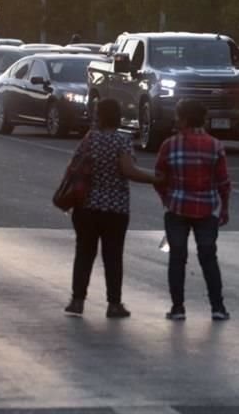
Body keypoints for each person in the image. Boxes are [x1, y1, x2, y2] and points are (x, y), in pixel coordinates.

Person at [65, 99, 157, 318]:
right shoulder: (121, 141)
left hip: (86, 206)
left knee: (84, 253)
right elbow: (128, 170)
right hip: (115, 208)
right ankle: (114, 303)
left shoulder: (89, 139)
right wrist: (154, 178)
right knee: (113, 256)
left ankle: (77, 300)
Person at [154, 99, 232, 322]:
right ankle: (218, 307)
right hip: (207, 210)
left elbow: (159, 177)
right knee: (208, 257)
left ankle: (178, 308)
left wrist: (167, 199)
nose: (176, 120)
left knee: (177, 258)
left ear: (185, 120)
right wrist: (224, 208)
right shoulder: (215, 145)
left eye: (178, 116)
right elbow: (223, 182)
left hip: (176, 208)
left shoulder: (169, 145)